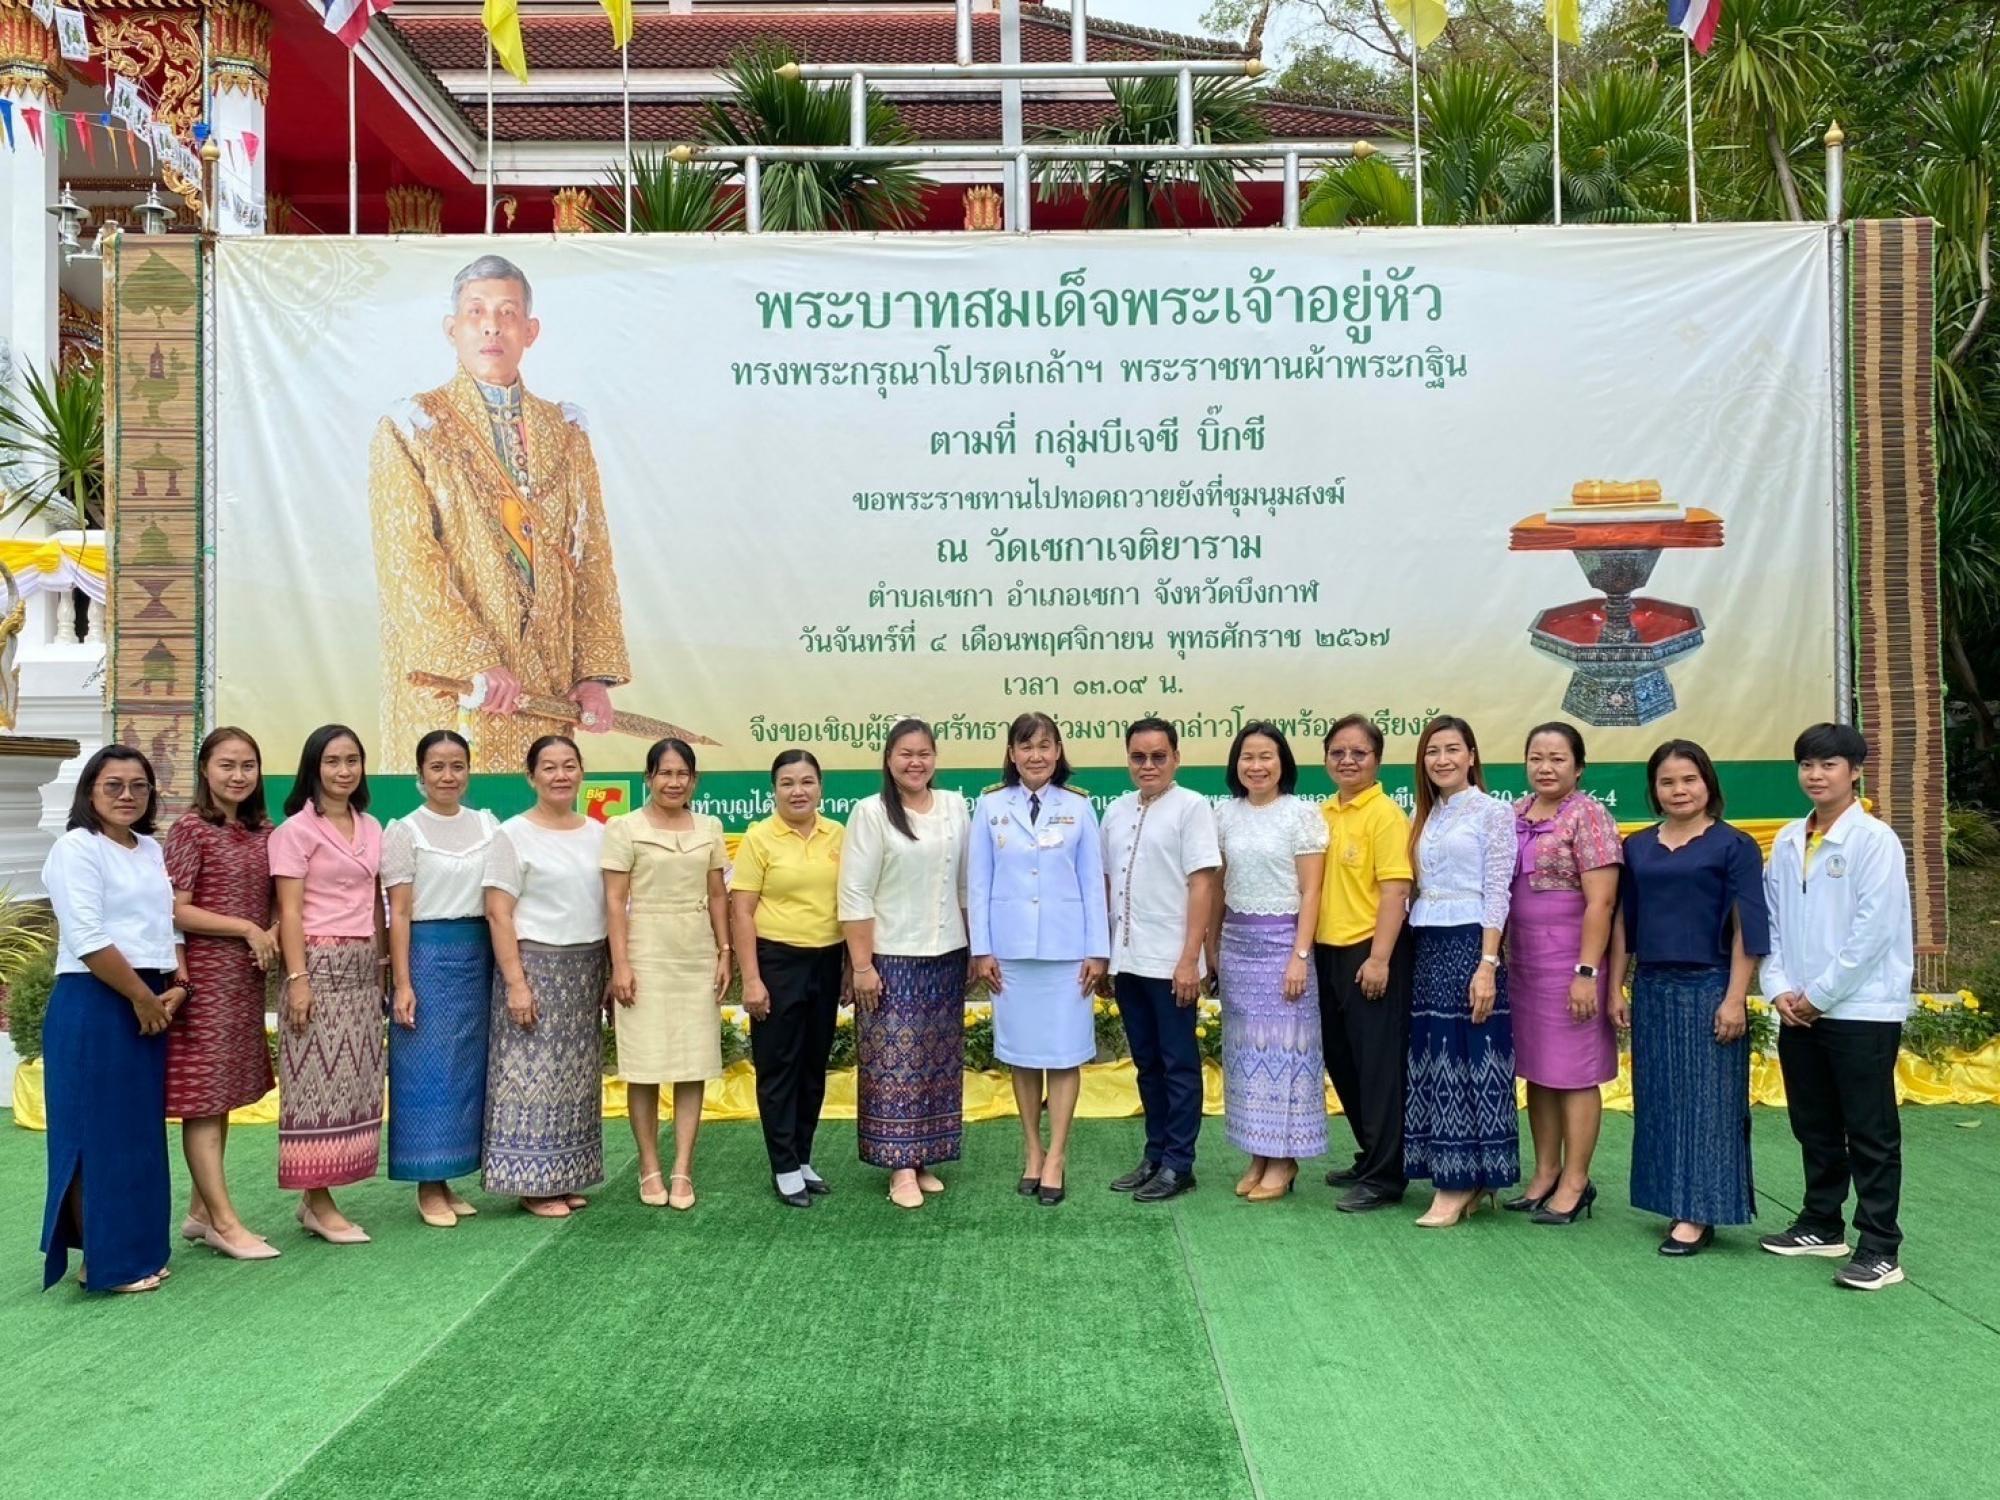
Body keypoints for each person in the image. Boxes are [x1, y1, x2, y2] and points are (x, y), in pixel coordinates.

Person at [370, 253, 630, 773]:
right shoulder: (412, 427)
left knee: (540, 816)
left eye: (508, 312)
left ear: (530, 331)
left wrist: (592, 676)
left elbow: (592, 555)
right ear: (452, 329)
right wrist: (475, 658)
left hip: (546, 685)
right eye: (476, 311)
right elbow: (408, 562)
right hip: (456, 690)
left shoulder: (564, 432)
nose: (492, 325)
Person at [1758, 722, 1915, 1291]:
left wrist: (1820, 995)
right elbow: (1771, 922)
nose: (1816, 775)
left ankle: (1880, 1246)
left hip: (1861, 1010)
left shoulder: (1874, 840)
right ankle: (1821, 1223)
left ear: (1854, 772)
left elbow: (1874, 930)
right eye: (1807, 765)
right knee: (1814, 1123)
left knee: (1870, 1130)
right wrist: (1778, 987)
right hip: (1797, 1008)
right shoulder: (1787, 840)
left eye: (1828, 765)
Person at [1607, 740, 1769, 1256]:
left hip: (1710, 988)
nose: (1679, 790)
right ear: (1654, 789)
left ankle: (1699, 1212)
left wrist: (1736, 997)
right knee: (1660, 1100)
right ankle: (1672, 1200)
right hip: (1653, 988)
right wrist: (1615, 985)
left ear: (1708, 784)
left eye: (1689, 780)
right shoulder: (1636, 847)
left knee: (1709, 1104)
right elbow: (1623, 923)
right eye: (1667, 782)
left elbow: (1747, 927)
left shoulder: (1735, 846)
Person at [40, 747, 187, 1294]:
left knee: (136, 1134)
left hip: (147, 997)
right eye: (114, 785)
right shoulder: (76, 848)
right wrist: (141, 997)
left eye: (139, 786)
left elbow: (164, 922)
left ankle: (139, 1250)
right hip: (95, 1000)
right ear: (90, 791)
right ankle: (105, 1263)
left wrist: (175, 986)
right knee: (94, 1135)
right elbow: (87, 936)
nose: (127, 795)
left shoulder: (149, 848)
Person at [968, 712, 1110, 1207]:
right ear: (1011, 754)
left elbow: (1092, 884)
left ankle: (1057, 1156)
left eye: (1045, 746)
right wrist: (982, 949)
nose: (1036, 756)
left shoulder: (1078, 807)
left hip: (1067, 953)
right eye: (1026, 747)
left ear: (1058, 752)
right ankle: (1033, 1150)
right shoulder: (990, 806)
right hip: (1010, 954)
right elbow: (978, 882)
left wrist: (1097, 951)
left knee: (1066, 1054)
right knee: (1023, 1055)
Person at [840, 719, 971, 1210]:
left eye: (924, 754)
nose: (915, 763)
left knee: (936, 1062)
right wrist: (861, 965)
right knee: (893, 1066)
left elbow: (964, 884)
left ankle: (923, 1157)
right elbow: (855, 892)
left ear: (935, 758)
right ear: (889, 759)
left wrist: (972, 947)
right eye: (905, 754)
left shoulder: (955, 807)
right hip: (891, 957)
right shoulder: (871, 813)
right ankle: (898, 1166)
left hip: (947, 955)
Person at [163, 727, 280, 1260]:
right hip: (204, 981)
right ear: (204, 769)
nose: (238, 776)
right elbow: (176, 910)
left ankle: (199, 1211)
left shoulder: (262, 829)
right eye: (226, 765)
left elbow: (275, 896)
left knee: (224, 1095)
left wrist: (270, 929)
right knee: (204, 1101)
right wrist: (247, 929)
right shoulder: (190, 829)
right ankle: (225, 1225)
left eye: (247, 766)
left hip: (244, 980)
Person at [483, 735, 609, 1217]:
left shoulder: (598, 833)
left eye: (569, 765)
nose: (561, 775)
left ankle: (565, 1176)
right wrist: (516, 982)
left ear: (581, 772)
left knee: (574, 1077)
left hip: (585, 967)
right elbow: (498, 913)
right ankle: (532, 1184)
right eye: (549, 767)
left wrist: (609, 969)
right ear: (531, 776)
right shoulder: (512, 835)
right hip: (535, 966)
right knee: (531, 1076)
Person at [603, 737, 731, 1211]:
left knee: (692, 1064)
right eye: (665, 773)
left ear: (694, 781)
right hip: (645, 951)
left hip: (695, 952)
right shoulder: (624, 827)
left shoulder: (710, 827)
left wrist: (724, 951)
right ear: (649, 778)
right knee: (645, 1066)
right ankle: (649, 1166)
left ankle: (682, 1169)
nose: (674, 782)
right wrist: (620, 963)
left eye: (682, 774)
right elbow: (615, 900)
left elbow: (717, 894)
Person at [271, 725, 387, 1245]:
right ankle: (318, 1202)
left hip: (362, 965)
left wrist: (381, 966)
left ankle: (314, 1197)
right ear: (313, 767)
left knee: (354, 1079)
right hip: (315, 962)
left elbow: (376, 900)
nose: (344, 771)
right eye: (333, 761)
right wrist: (298, 979)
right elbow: (290, 911)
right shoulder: (295, 831)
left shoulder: (371, 826)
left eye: (352, 760)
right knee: (314, 1080)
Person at [1100, 717, 1220, 1204]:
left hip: (1173, 963)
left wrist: (1191, 958)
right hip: (1128, 961)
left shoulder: (1192, 807)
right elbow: (1106, 884)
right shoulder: (1116, 810)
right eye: (1138, 757)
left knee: (1178, 1065)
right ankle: (1154, 1155)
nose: (1147, 765)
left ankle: (1179, 1164)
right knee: (1147, 1064)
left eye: (1158, 756)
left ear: (1176, 758)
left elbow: (1203, 885)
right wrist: (1106, 956)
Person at [384, 730, 501, 1227]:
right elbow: (399, 913)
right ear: (420, 774)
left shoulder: (488, 825)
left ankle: (451, 1176)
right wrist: (403, 982)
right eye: (437, 766)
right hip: (427, 958)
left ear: (469, 771)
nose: (448, 776)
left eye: (457, 766)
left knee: (468, 1072)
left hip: (480, 955)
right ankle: (427, 1184)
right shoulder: (404, 831)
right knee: (426, 1072)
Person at [1404, 716, 1518, 1227]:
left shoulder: (1493, 812)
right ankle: (1453, 1173)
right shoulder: (1425, 814)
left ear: (1472, 756)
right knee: (1435, 1057)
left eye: (1453, 749)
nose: (1442, 759)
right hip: (1427, 943)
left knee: (1467, 1056)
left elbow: (1497, 891)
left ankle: (1462, 1181)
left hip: (1471, 942)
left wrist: (1487, 964)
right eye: (1433, 751)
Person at [1508, 722, 1623, 1227]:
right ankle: (1545, 1173)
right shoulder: (1514, 813)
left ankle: (1576, 1181)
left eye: (1557, 758)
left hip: (1572, 962)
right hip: (1524, 962)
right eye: (1537, 757)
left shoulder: (1589, 815)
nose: (1545, 767)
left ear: (1579, 767)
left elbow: (1602, 902)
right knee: (1539, 1072)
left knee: (1574, 1075)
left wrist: (1586, 972)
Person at [1209, 722, 1328, 1202]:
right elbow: (1217, 885)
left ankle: (1284, 1160)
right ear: (1236, 764)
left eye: (1266, 757)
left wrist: (1300, 955)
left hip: (1284, 947)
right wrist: (1211, 946)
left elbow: (1312, 891)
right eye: (1248, 757)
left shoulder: (1301, 815)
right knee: (1246, 1055)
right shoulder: (1224, 814)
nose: (1256, 766)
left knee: (1286, 1054)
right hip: (1237, 946)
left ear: (1283, 763)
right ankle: (1259, 1154)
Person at [731, 750, 847, 1208]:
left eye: (806, 781)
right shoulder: (759, 838)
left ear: (820, 787)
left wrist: (848, 966)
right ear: (774, 790)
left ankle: (802, 1157)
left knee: (813, 1066)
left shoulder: (838, 834)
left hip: (827, 959)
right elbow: (742, 911)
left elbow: (850, 904)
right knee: (779, 1067)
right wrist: (751, 979)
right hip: (777, 961)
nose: (798, 791)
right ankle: (782, 1164)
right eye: (787, 783)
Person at [1314, 714, 1415, 1214]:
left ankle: (1386, 1176)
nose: (1347, 760)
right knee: (1343, 1061)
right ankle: (1370, 1155)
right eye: (1338, 752)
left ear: (1377, 760)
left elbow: (1396, 890)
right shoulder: (1322, 813)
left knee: (1377, 1068)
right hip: (1326, 952)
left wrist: (1379, 958)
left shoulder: (1386, 815)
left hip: (1369, 953)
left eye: (1359, 753)